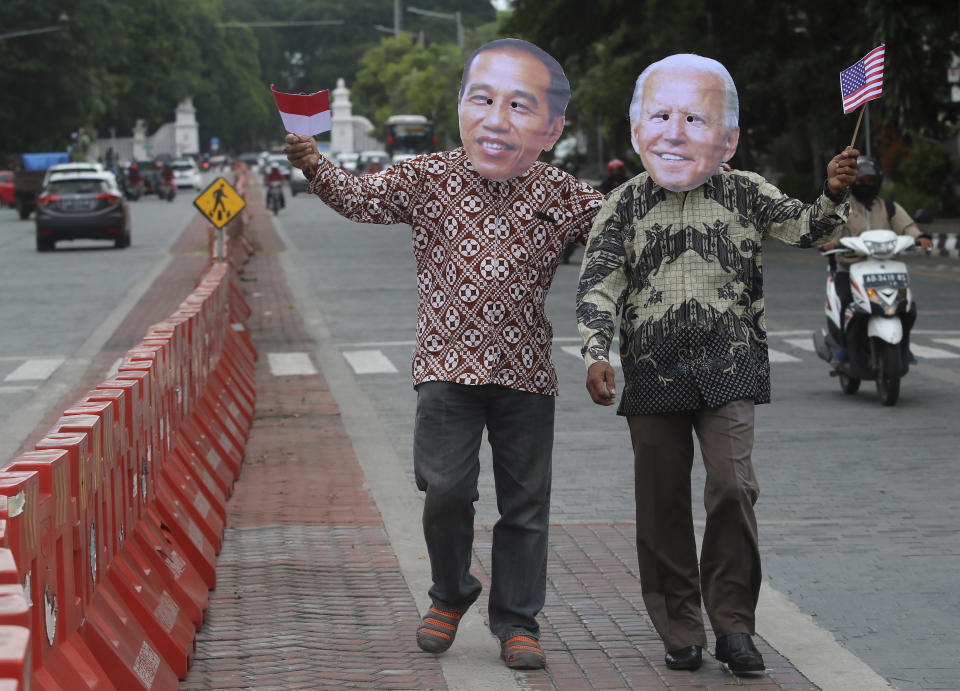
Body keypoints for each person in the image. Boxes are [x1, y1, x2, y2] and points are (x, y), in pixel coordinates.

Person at [285, 38, 603, 670]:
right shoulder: (427, 177)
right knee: (446, 490)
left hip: (526, 371)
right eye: (482, 99)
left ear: (551, 126)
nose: (497, 117)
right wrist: (313, 165)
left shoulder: (568, 196)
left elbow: (626, 236)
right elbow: (360, 198)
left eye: (520, 105)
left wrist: (694, 173)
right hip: (447, 367)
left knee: (526, 507)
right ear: (461, 105)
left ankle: (517, 623)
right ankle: (451, 591)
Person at [575, 53, 859, 675]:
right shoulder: (623, 203)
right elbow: (598, 284)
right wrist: (597, 352)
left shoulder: (747, 191)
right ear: (636, 130)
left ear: (727, 138)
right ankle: (681, 629)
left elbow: (809, 231)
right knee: (662, 504)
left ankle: (733, 626)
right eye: (661, 117)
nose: (675, 132)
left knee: (733, 489)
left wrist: (834, 191)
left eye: (696, 119)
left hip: (729, 366)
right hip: (651, 371)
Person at [821, 156, 932, 362]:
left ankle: (903, 345)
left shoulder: (889, 207)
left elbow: (907, 226)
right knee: (847, 302)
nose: (866, 185)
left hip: (886, 269)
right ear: (852, 182)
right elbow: (832, 229)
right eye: (861, 181)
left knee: (908, 306)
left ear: (878, 182)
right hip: (851, 268)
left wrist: (920, 237)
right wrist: (831, 242)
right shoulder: (843, 207)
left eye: (870, 181)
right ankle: (845, 347)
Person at [562, 160, 629, 264]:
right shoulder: (605, 184)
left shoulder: (629, 184)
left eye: (618, 171)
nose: (617, 174)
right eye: (614, 171)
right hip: (606, 216)